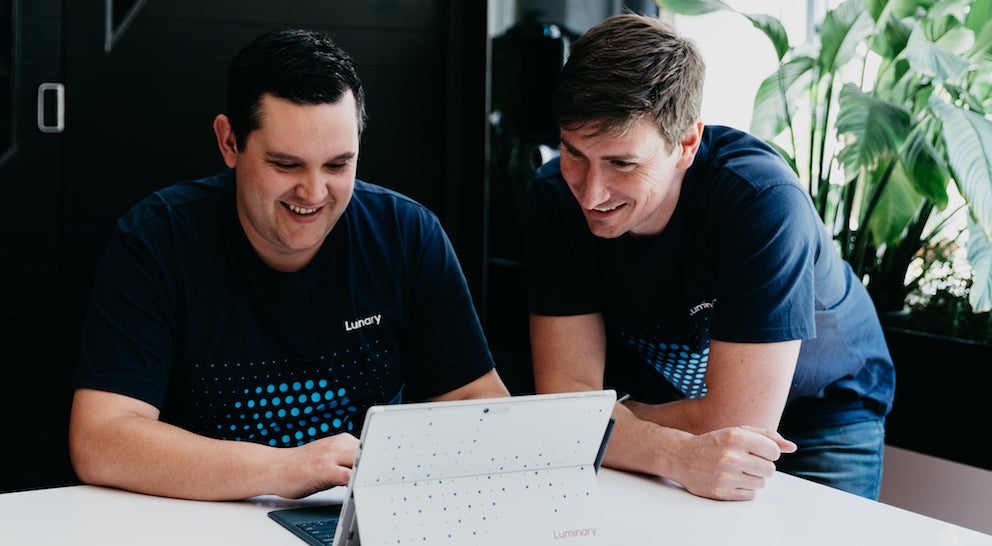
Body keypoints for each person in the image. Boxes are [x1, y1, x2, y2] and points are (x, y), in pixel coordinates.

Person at [69, 29, 509, 501]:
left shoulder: (408, 234)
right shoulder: (156, 239)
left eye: (338, 165)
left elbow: (479, 403)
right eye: (286, 165)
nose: (314, 193)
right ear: (229, 142)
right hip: (200, 521)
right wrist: (287, 468)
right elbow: (101, 439)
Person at [526, 13, 895, 501]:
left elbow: (735, 420)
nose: (592, 193)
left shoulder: (760, 199)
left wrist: (600, 420)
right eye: (575, 154)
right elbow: (563, 403)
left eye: (622, 163)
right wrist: (640, 438)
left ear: (686, 144)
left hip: (822, 412)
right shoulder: (555, 198)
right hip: (672, 406)